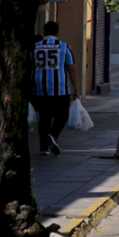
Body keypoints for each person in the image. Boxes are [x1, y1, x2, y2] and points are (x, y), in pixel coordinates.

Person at [31, 21, 80, 156]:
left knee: (44, 117)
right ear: (57, 32)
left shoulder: (35, 47)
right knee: (63, 114)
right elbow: (72, 69)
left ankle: (44, 148)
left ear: (44, 32)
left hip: (40, 88)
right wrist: (76, 89)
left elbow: (29, 67)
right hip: (60, 88)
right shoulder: (64, 47)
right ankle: (53, 134)